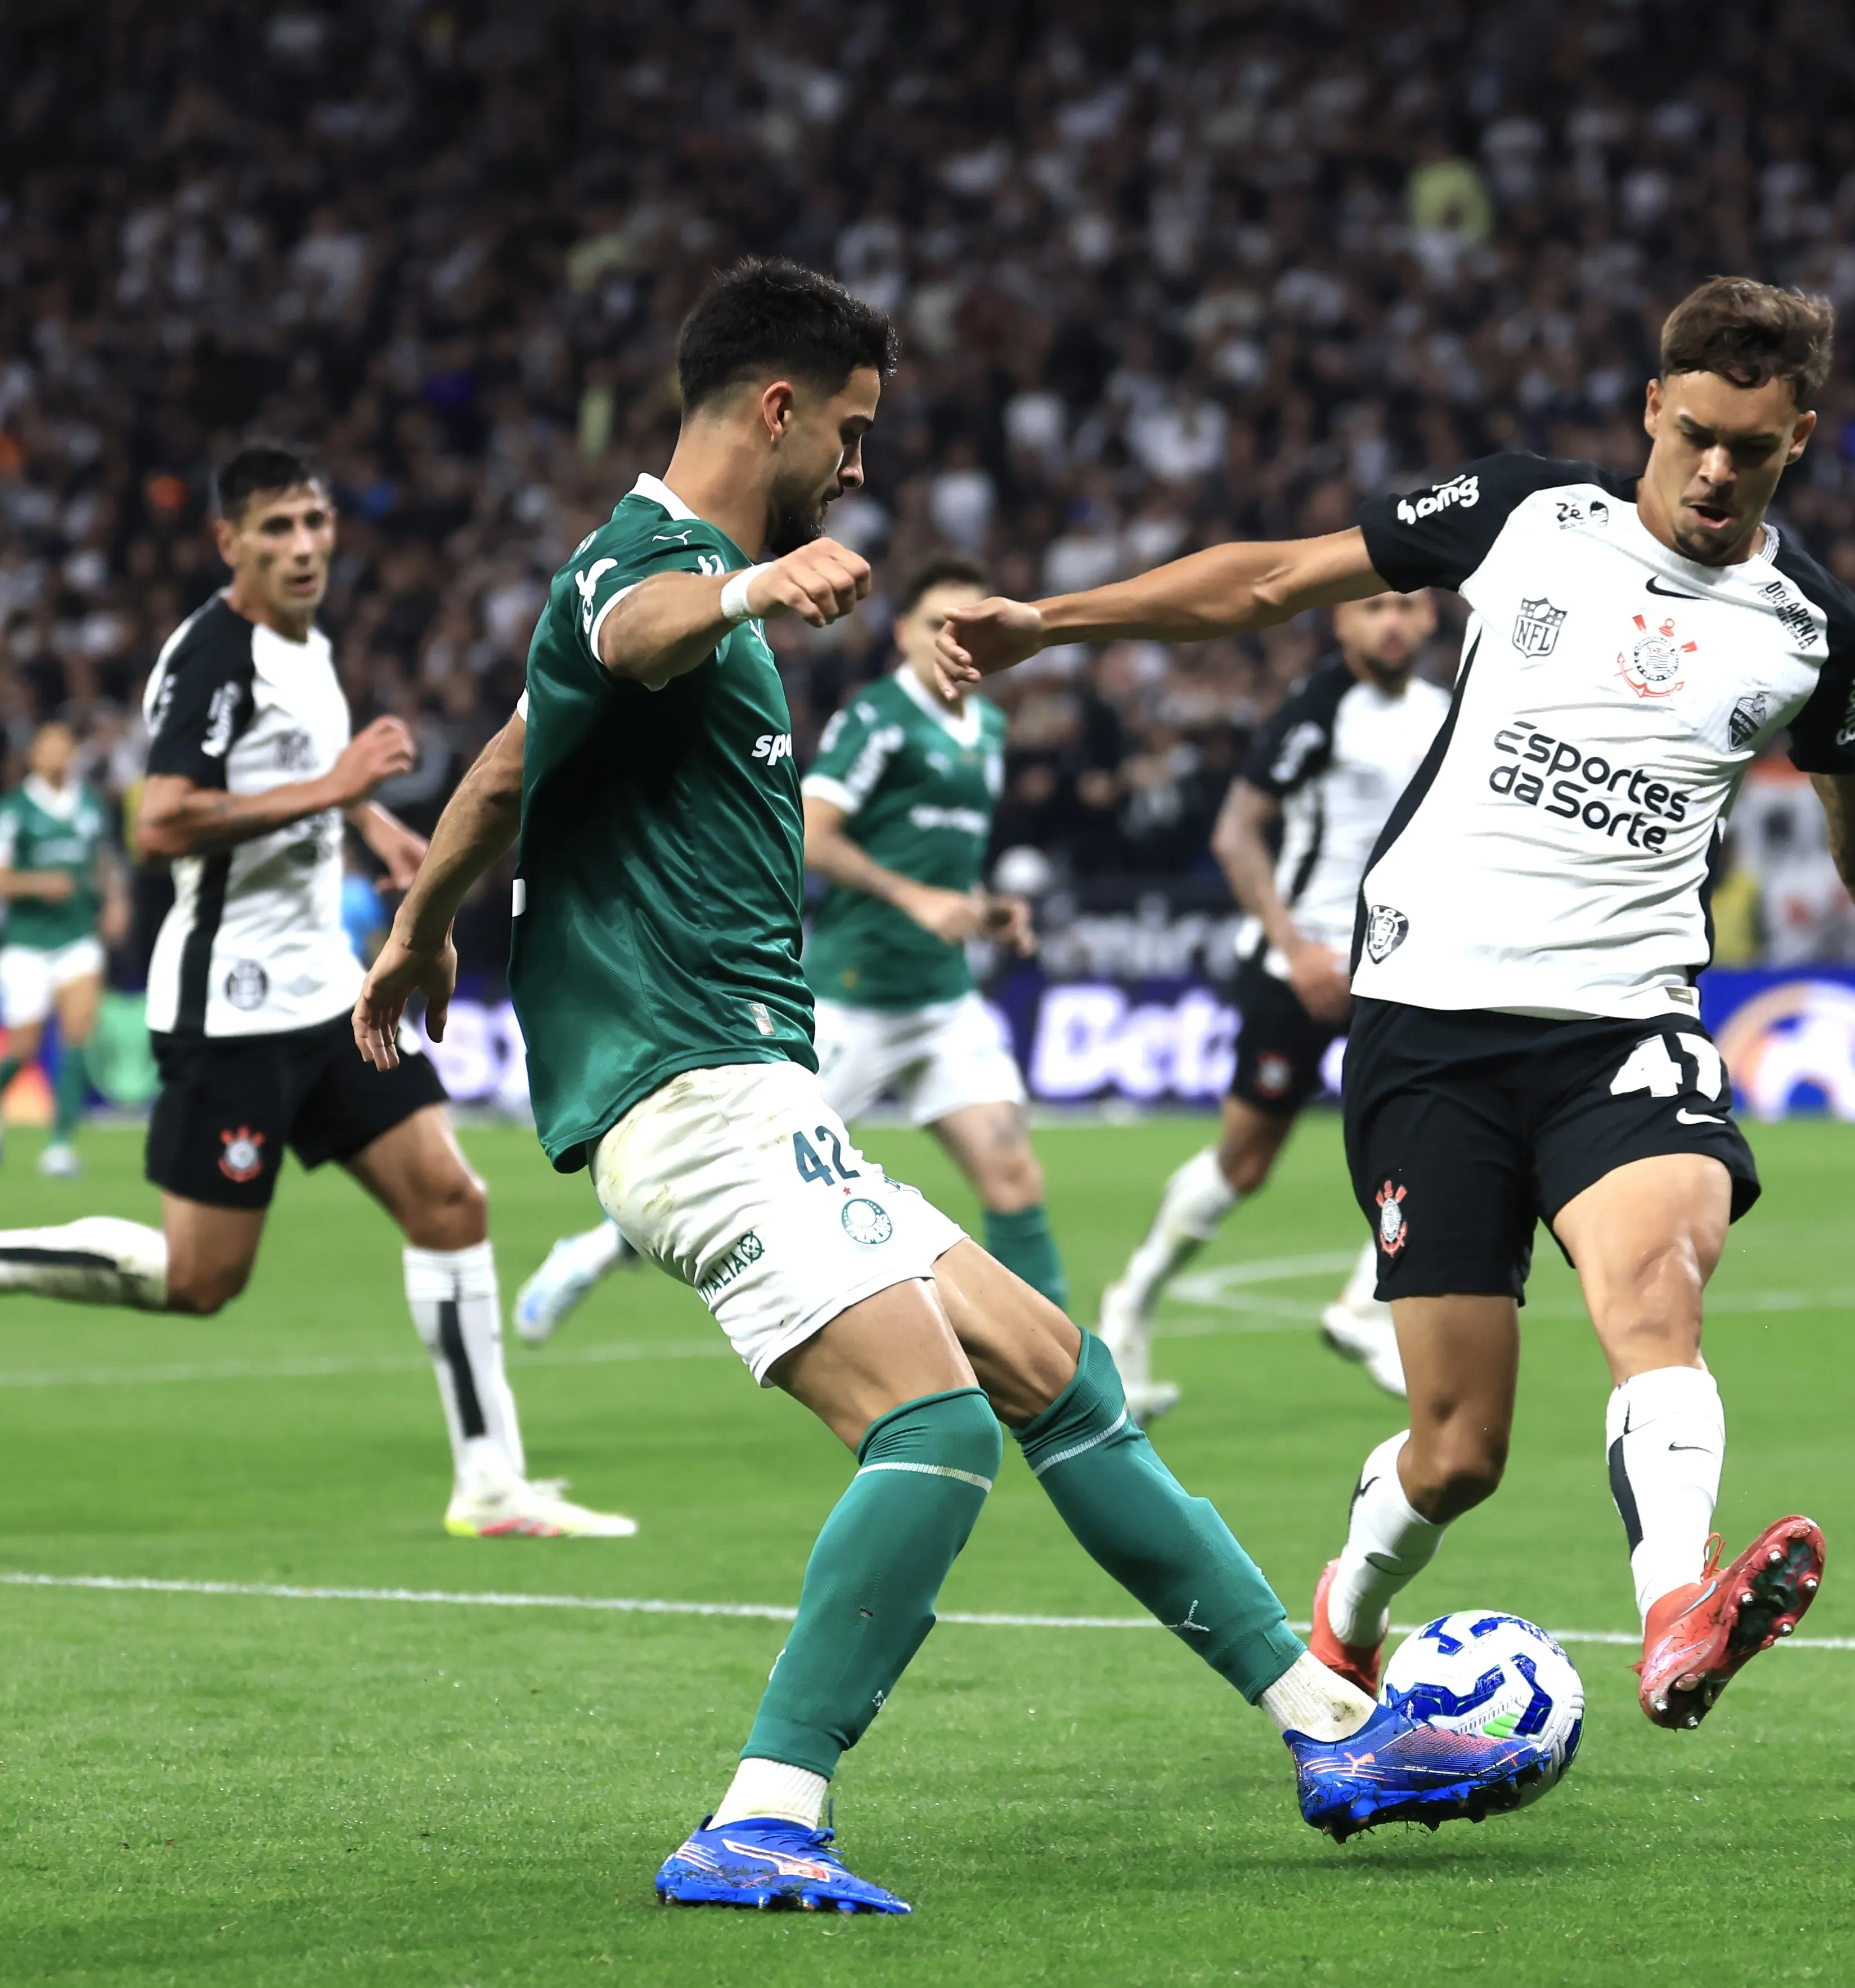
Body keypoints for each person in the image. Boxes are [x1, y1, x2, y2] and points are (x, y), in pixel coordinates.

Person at [352, 258, 1550, 1916]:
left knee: (1052, 1371)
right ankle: (765, 1809)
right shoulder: (646, 563)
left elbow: (499, 766)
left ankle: (1329, 1721)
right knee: (927, 1424)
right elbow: (618, 634)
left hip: (765, 1095)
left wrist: (419, 928)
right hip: (691, 1099)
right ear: (774, 409)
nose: (857, 465)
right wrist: (754, 592)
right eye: (845, 432)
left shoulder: (688, 576)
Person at [940, 276, 1855, 1733]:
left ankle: (1676, 1611)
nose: (1718, 470)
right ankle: (1343, 1620)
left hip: (1625, 1025)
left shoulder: (1809, 629)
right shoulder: (1529, 514)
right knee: (1459, 1445)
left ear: (1801, 441)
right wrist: (1057, 621)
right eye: (1698, 435)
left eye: (1755, 449)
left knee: (1653, 1299)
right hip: (1429, 1025)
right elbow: (1275, 577)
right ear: (1653, 409)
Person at [0, 445, 631, 1542]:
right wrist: (340, 784)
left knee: (451, 1202)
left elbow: (298, 780)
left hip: (326, 993)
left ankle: (491, 1480)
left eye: (314, 521)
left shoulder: (305, 646)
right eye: (277, 529)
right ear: (230, 543)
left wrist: (372, 823)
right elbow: (161, 820)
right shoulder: (213, 655)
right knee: (203, 1276)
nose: (304, 545)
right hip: (231, 1007)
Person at [513, 559, 1067, 1341]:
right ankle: (597, 1249)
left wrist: (983, 913)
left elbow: (939, 862)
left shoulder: (990, 728)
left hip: (941, 997)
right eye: (939, 622)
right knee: (754, 1175)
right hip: (852, 993)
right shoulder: (878, 719)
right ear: (904, 635)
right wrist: (914, 899)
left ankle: (1064, 1372)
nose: (957, 639)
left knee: (1013, 1174)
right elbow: (814, 832)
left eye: (972, 622)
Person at [1099, 587, 1447, 1417]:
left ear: (1432, 617)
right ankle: (1131, 1301)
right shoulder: (1318, 709)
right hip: (1303, 964)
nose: (1391, 623)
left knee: (1445, 1129)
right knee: (1244, 1162)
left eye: (1406, 607)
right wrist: (1298, 952)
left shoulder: (1448, 708)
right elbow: (1235, 832)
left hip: (1398, 965)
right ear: (1343, 621)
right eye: (1373, 609)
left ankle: (1365, 1306)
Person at [0, 720, 127, 1177]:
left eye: (66, 746)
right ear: (33, 757)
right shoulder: (12, 810)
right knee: (25, 1044)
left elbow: (104, 862)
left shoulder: (92, 806)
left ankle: (59, 1144)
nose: (59, 755)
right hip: (26, 943)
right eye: (49, 747)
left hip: (78, 939)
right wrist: (39, 883)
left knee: (77, 1031)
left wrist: (115, 901)